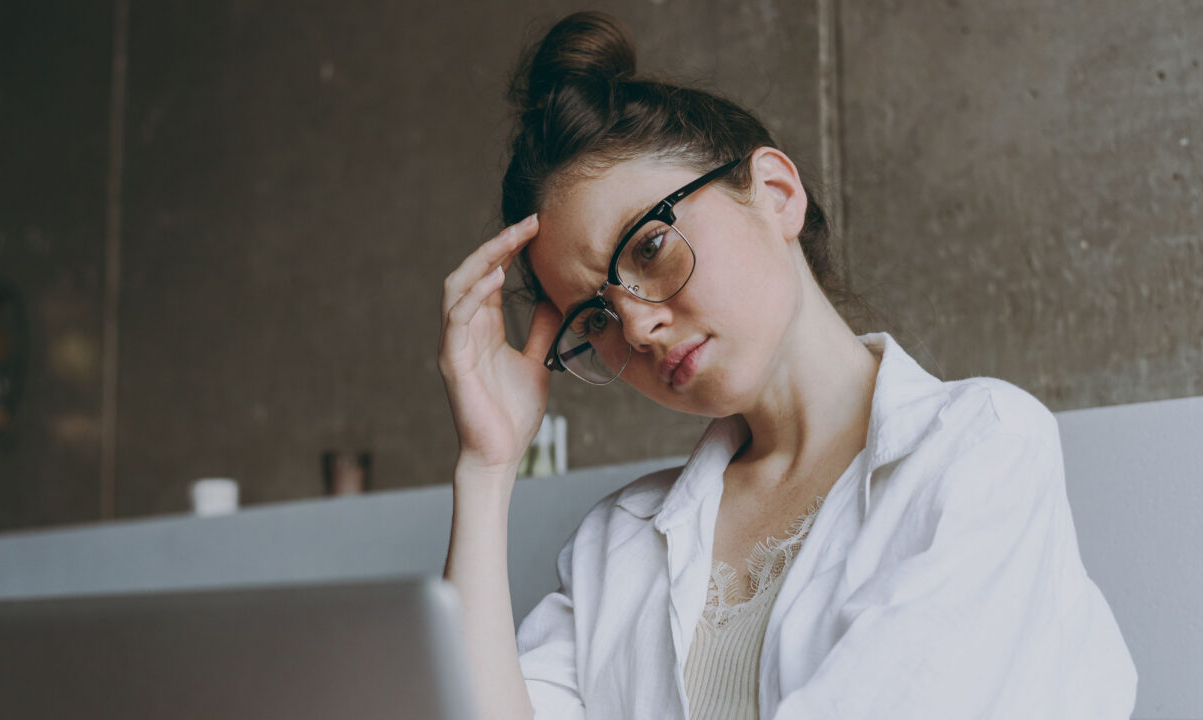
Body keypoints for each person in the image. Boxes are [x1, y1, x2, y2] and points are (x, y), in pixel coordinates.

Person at [438, 11, 1137, 720]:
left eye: (649, 248)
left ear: (776, 194)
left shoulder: (980, 449)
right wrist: (487, 465)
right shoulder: (619, 544)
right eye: (597, 316)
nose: (639, 326)